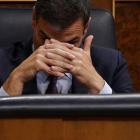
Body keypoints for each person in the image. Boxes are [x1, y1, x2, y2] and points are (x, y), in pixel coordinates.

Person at [0, 0, 134, 96]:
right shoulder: (2, 62)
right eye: (45, 38)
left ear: (86, 27)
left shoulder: (112, 64)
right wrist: (14, 80)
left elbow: (131, 128)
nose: (57, 49)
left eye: (71, 42)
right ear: (34, 19)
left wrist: (97, 85)